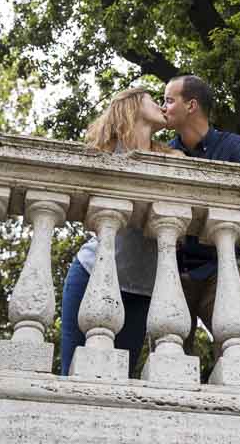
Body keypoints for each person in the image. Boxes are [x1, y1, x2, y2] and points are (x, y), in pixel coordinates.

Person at [61, 86, 183, 377]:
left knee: (119, 379)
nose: (161, 105)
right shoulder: (104, 154)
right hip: (92, 276)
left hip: (143, 292)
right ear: (131, 105)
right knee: (72, 373)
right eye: (153, 100)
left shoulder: (172, 158)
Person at [162, 74, 240, 355]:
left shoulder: (232, 145)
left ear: (191, 105)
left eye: (169, 100)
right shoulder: (165, 151)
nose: (163, 108)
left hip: (223, 266)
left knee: (237, 352)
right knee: (169, 358)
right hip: (174, 267)